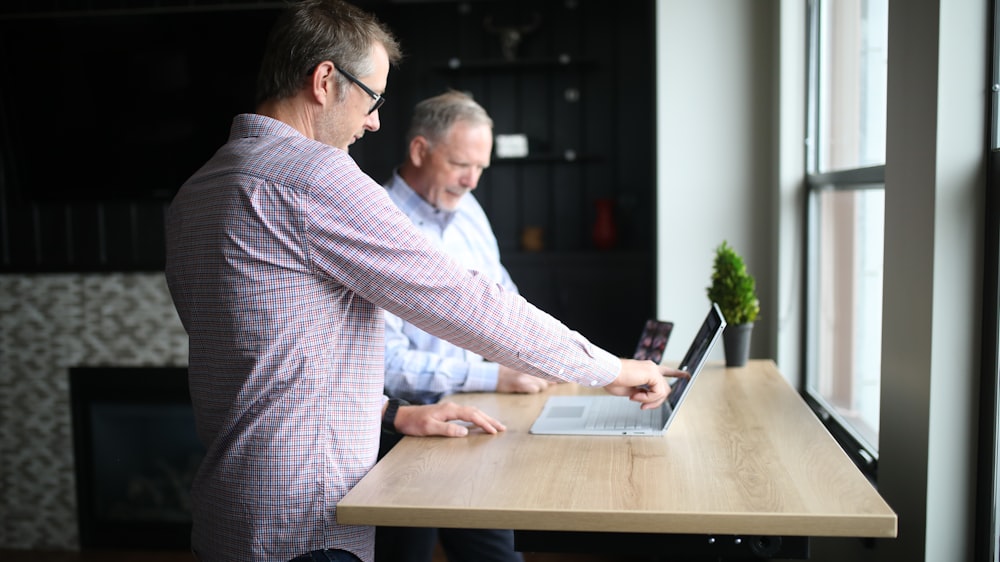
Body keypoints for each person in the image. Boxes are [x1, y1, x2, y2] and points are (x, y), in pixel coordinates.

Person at [164, 2, 683, 562]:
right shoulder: (315, 176)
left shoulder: (199, 188)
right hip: (303, 523)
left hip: (229, 510)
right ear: (324, 81)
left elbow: (271, 358)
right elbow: (465, 303)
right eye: (374, 98)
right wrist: (613, 369)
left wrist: (393, 412)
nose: (374, 121)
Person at [375, 91, 547, 562]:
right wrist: (496, 375)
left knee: (495, 557)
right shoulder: (377, 223)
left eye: (480, 168)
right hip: (398, 431)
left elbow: (503, 298)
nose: (471, 181)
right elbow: (386, 364)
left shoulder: (469, 208)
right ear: (419, 151)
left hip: (476, 419)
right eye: (459, 165)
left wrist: (544, 354)